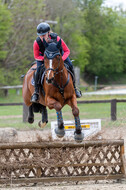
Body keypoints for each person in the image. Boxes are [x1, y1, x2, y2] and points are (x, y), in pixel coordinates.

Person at [31, 22, 82, 103]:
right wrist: (47, 61)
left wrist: (61, 59)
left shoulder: (57, 38)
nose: (41, 37)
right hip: (43, 59)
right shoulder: (36, 42)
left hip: (59, 57)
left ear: (48, 33)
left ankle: (75, 88)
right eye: (40, 35)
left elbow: (67, 51)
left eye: (43, 35)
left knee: (70, 65)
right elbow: (36, 56)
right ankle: (36, 92)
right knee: (38, 70)